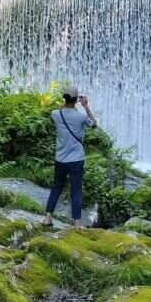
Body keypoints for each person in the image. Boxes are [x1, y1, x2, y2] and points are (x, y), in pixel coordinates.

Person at [43, 86, 97, 229]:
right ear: (76, 100)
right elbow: (94, 125)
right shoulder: (81, 116)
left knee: (56, 188)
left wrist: (69, 103)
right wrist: (85, 106)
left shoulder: (55, 114)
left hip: (60, 159)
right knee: (76, 190)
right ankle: (77, 223)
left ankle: (48, 217)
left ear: (64, 99)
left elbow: (62, 110)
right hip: (76, 160)